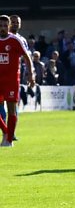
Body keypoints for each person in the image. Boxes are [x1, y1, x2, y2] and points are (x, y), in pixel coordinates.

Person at [0, 15, 35, 147]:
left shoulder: (15, 40)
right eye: (0, 26)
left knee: (11, 110)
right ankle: (5, 131)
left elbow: (27, 57)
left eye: (5, 26)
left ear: (8, 27)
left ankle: (8, 141)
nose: (2, 28)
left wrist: (31, 74)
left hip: (11, 80)